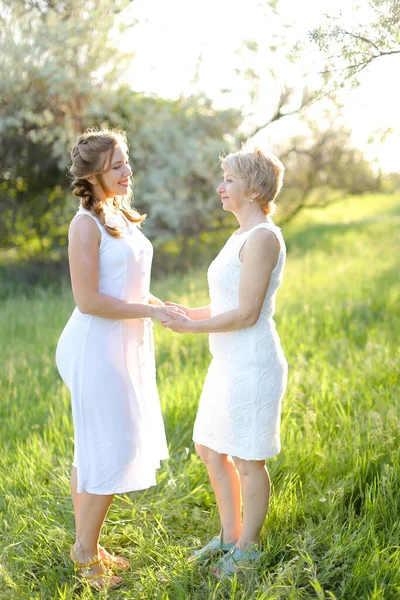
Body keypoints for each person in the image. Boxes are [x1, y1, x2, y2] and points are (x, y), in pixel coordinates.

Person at [56, 128, 179, 590]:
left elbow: (125, 282)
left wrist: (159, 304)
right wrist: (148, 311)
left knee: (93, 446)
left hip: (123, 341)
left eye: (127, 161)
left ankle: (86, 544)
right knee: (112, 446)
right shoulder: (84, 224)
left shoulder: (118, 213)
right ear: (93, 175)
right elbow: (89, 300)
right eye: (117, 166)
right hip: (95, 345)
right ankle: (85, 555)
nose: (128, 171)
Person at [163, 146, 288, 577]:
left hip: (252, 363)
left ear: (253, 189)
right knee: (209, 448)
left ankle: (249, 550)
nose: (221, 188)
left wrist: (190, 329)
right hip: (227, 363)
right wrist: (189, 314)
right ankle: (229, 535)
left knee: (249, 460)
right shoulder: (238, 235)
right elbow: (225, 303)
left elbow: (247, 313)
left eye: (229, 180)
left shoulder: (264, 238)